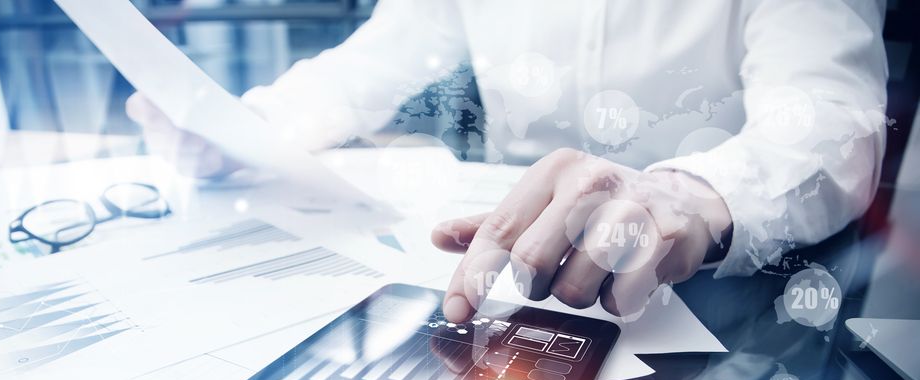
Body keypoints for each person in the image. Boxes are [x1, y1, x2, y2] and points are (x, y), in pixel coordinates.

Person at [127, 0, 888, 322]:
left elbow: (833, 119)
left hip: (716, 290)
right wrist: (250, 129)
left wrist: (690, 194)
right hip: (500, 271)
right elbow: (370, 65)